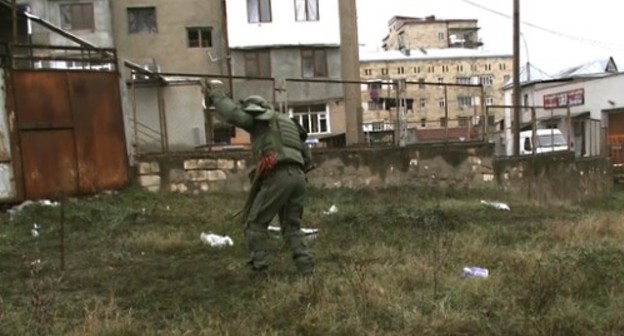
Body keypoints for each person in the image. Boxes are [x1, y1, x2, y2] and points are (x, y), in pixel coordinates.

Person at [204, 80, 315, 277]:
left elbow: (231, 114)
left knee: (255, 224)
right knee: (292, 228)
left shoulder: (260, 120)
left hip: (278, 175)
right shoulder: (288, 123)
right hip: (298, 177)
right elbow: (307, 156)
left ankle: (260, 269)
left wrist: (216, 92)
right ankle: (306, 270)